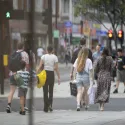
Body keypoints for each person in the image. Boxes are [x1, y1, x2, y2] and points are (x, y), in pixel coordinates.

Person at [6, 41, 29, 113]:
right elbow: (27, 65)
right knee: (22, 91)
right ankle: (22, 107)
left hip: (13, 74)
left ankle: (9, 105)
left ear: (17, 47)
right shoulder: (25, 54)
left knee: (12, 91)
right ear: (23, 47)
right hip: (21, 74)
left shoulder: (13, 54)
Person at [37, 45, 60, 112]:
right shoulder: (55, 57)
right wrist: (58, 77)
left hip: (44, 74)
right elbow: (56, 68)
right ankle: (50, 105)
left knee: (45, 91)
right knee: (51, 91)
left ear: (47, 50)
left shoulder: (43, 56)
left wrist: (36, 73)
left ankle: (45, 107)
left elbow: (40, 66)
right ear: (52, 50)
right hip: (51, 74)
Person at [70, 38, 93, 106]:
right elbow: (91, 63)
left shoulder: (76, 51)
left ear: (79, 43)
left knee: (79, 87)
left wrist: (71, 73)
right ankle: (83, 100)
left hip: (78, 72)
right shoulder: (88, 51)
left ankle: (81, 100)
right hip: (86, 73)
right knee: (85, 87)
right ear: (85, 43)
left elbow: (73, 64)